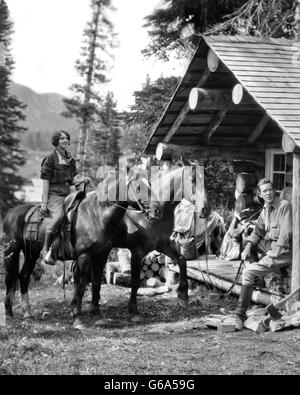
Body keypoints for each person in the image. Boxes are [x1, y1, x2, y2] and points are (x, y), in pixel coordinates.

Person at [231, 178, 292, 330]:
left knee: (247, 273)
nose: (268, 193)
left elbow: (285, 235)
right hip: (271, 247)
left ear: (274, 191)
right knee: (248, 240)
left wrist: (270, 256)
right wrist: (246, 248)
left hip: (283, 251)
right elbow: (257, 232)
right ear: (260, 194)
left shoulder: (284, 206)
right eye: (265, 191)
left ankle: (240, 313)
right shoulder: (265, 209)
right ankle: (257, 280)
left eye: (270, 190)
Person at [40, 130, 89, 265]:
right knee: (58, 217)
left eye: (67, 138)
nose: (65, 140)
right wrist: (44, 203)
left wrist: (83, 180)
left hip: (68, 194)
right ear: (56, 142)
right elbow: (45, 181)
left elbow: (71, 180)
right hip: (54, 195)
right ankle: (47, 250)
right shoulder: (50, 159)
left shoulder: (70, 160)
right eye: (62, 138)